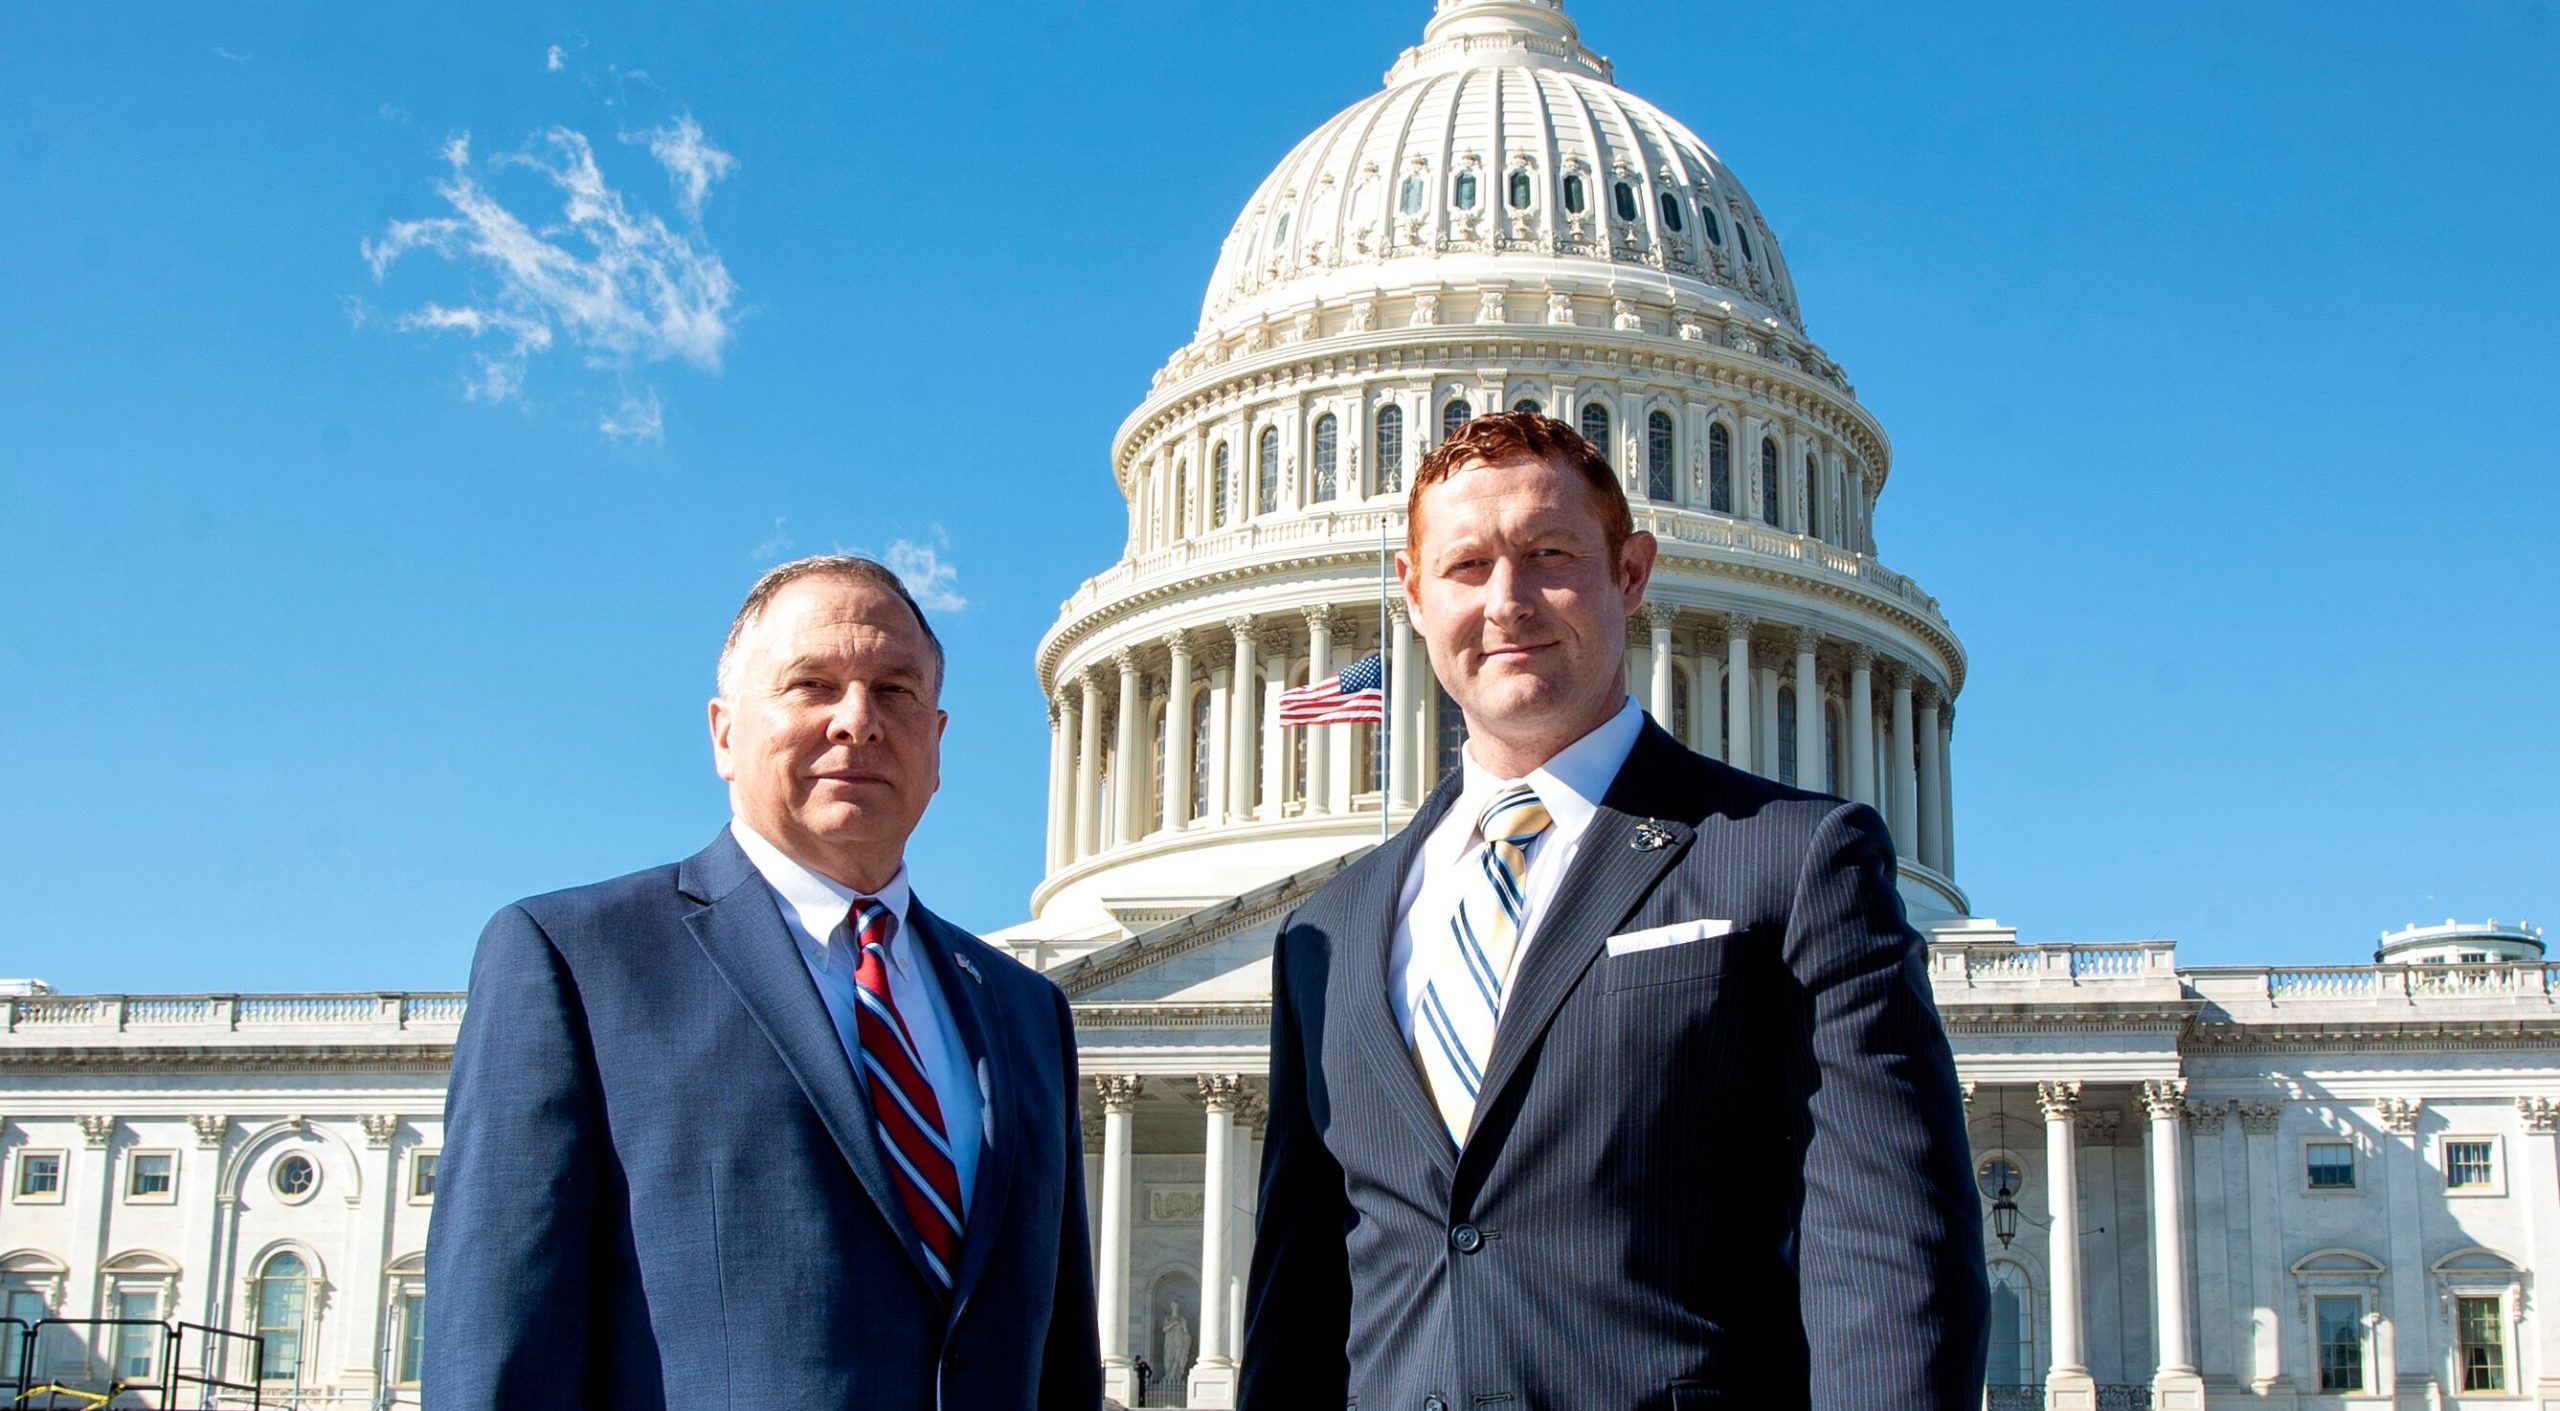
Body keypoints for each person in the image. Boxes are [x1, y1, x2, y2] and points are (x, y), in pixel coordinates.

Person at [1240, 413, 1987, 1410]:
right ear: (1413, 595)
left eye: (1548, 556)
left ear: (1630, 572)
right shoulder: (1326, 932)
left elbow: (1891, 1257)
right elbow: (1301, 1297)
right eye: (1466, 567)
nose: (1507, 602)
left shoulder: (1791, 859)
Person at [425, 555, 1100, 1410]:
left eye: (894, 691)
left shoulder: (1025, 1009)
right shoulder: (577, 962)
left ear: (936, 741)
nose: (858, 720)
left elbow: (1060, 1361)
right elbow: (503, 1354)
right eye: (812, 684)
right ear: (723, 732)